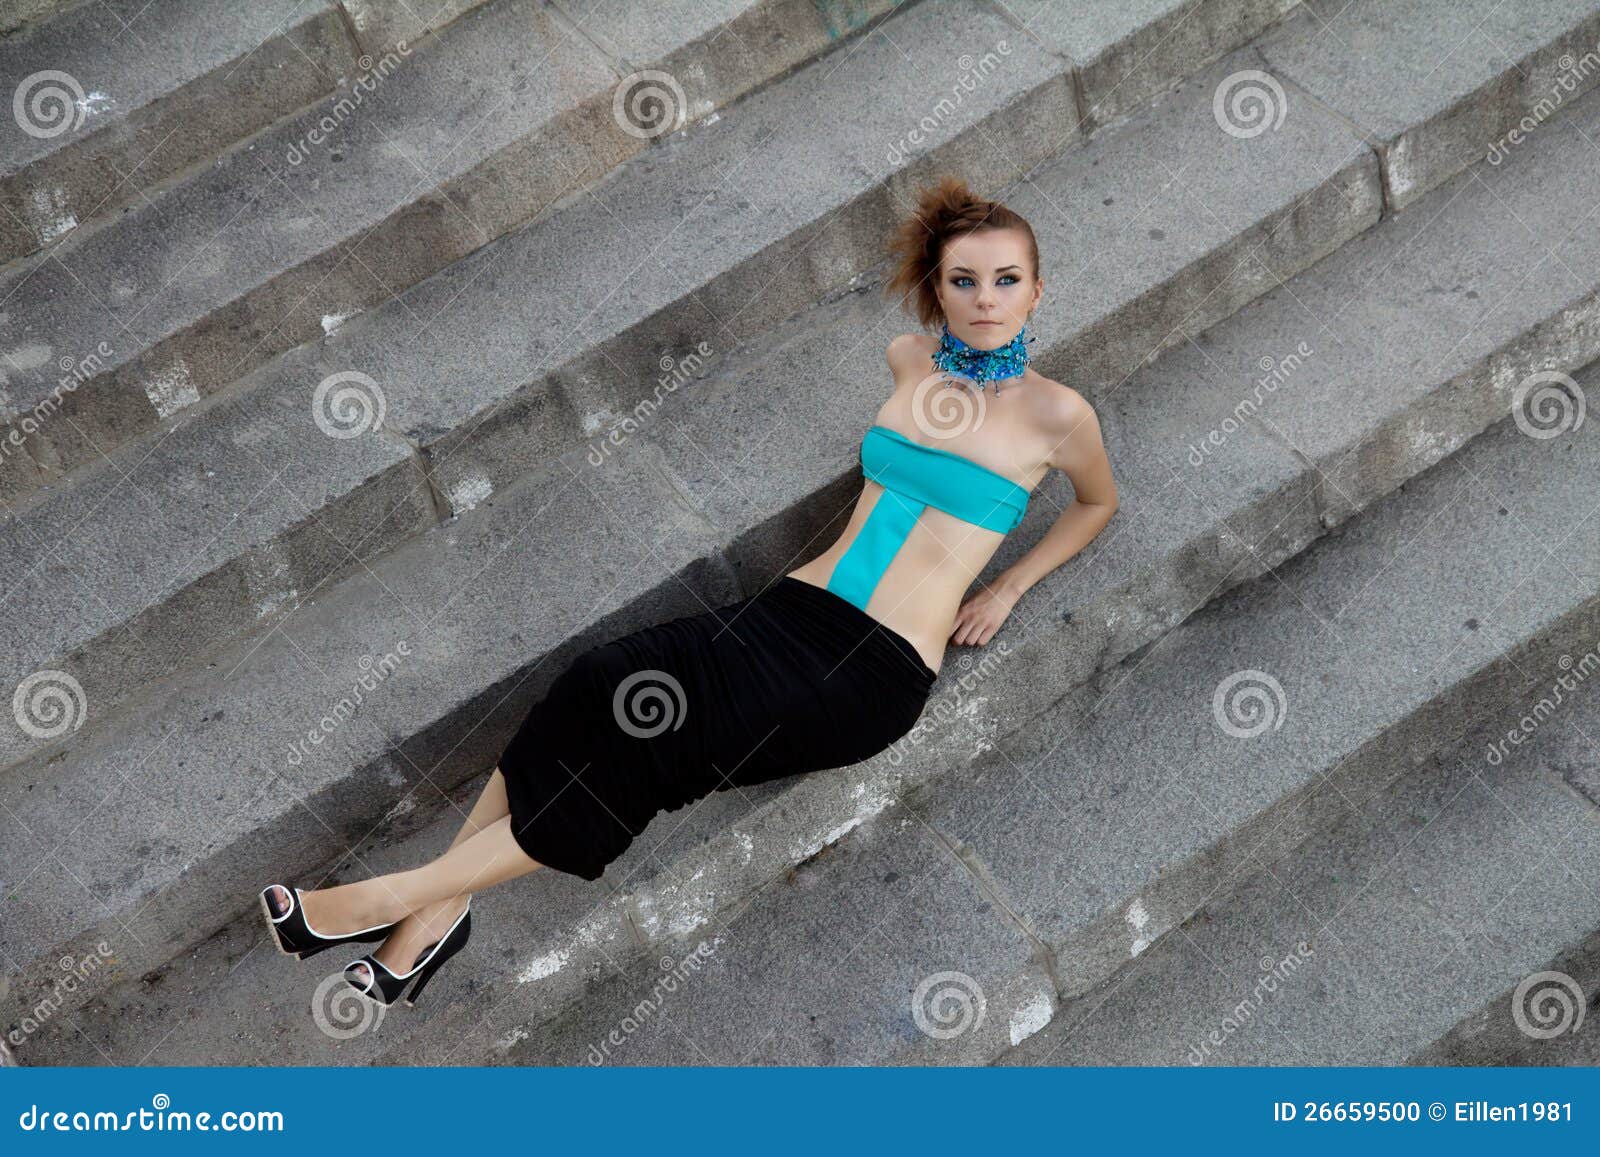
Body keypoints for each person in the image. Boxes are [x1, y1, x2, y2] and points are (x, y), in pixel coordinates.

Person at [261, 175, 1119, 1008]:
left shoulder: (1057, 417)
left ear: (1037, 291)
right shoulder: (908, 361)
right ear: (937, 288)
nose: (985, 297)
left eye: (1006, 279)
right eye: (963, 279)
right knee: (597, 680)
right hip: (789, 614)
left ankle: (384, 902)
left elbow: (1096, 502)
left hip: (869, 672)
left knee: (646, 752)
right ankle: (434, 919)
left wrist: (1009, 584)